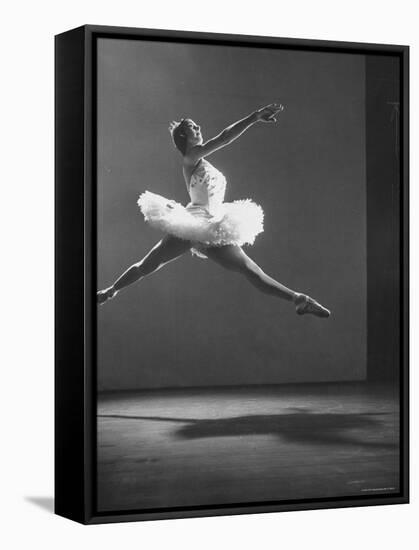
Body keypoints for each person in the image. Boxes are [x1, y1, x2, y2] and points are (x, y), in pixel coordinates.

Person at [97, 103, 330, 318]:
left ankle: (299, 298)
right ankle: (110, 291)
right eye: (191, 127)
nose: (198, 127)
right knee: (149, 265)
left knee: (251, 270)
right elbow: (225, 138)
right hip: (193, 222)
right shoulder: (190, 157)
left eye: (196, 125)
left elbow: (222, 142)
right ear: (183, 137)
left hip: (214, 224)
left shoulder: (202, 160)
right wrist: (254, 117)